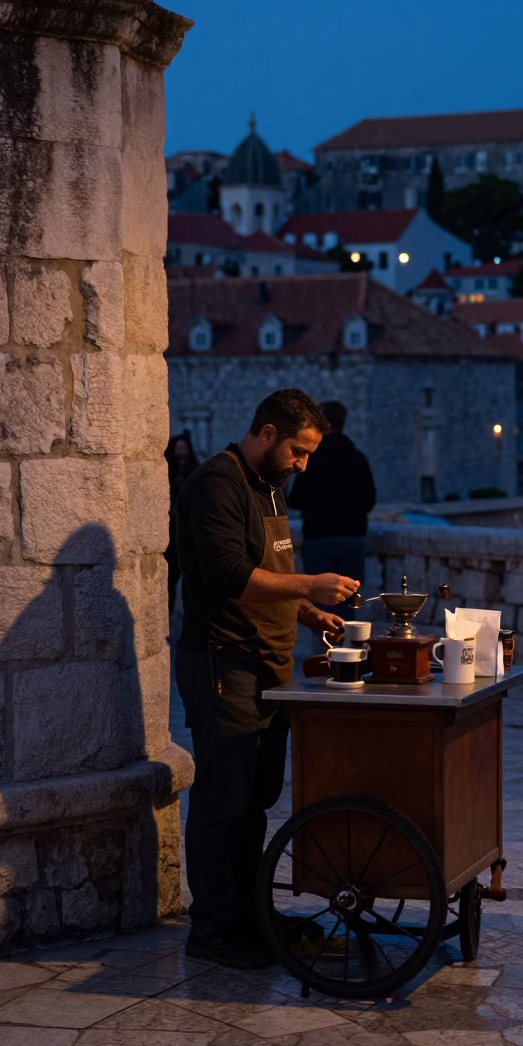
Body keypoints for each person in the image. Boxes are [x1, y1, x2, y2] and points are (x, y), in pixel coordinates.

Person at [174, 389, 359, 969]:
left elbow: (267, 569)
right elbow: (230, 573)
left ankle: (248, 913)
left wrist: (307, 613)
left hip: (268, 662)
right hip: (223, 662)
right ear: (270, 433)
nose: (304, 465)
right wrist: (310, 586)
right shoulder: (215, 484)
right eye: (300, 452)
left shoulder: (270, 485)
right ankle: (210, 928)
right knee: (222, 799)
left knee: (255, 800)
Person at [287, 400, 376, 619]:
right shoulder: (358, 458)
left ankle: (327, 652)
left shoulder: (312, 460)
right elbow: (370, 499)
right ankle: (347, 651)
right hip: (352, 539)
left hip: (320, 539)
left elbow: (295, 500)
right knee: (349, 606)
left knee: (321, 610)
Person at [164, 431, 200, 613]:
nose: (181, 453)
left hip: (188, 530)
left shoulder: (194, 471)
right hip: (170, 530)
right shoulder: (167, 471)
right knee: (170, 576)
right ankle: (168, 612)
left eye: (183, 448)